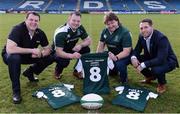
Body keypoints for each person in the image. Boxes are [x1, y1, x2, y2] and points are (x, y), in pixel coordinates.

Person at [1, 12, 53, 104]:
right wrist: (32, 50)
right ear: (25, 20)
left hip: (27, 56)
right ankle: (16, 91)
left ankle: (29, 72)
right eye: (31, 20)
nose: (33, 22)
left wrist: (40, 54)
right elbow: (10, 49)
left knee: (50, 57)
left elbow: (48, 49)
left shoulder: (40, 33)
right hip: (10, 56)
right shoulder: (17, 29)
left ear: (39, 22)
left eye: (36, 20)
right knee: (14, 58)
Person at [131, 18, 179, 93]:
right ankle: (149, 76)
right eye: (141, 28)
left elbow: (161, 59)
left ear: (151, 27)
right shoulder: (141, 36)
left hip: (168, 60)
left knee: (156, 69)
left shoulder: (161, 38)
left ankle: (162, 83)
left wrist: (143, 65)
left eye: (146, 27)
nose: (143, 30)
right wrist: (133, 58)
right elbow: (137, 50)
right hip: (153, 56)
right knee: (132, 59)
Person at [53, 11, 91, 79]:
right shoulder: (61, 32)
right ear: (69, 19)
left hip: (71, 48)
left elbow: (88, 40)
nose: (76, 23)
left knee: (86, 50)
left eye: (78, 21)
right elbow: (58, 52)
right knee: (64, 61)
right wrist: (72, 56)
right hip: (58, 51)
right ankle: (57, 71)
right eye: (74, 20)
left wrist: (80, 45)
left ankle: (77, 71)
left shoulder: (80, 27)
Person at [96, 12, 132, 84]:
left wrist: (116, 57)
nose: (110, 26)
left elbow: (127, 51)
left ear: (117, 21)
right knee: (112, 72)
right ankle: (114, 70)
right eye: (108, 24)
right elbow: (100, 47)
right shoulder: (104, 31)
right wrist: (98, 58)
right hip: (111, 54)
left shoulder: (125, 32)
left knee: (120, 64)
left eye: (112, 23)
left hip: (124, 55)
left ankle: (124, 80)